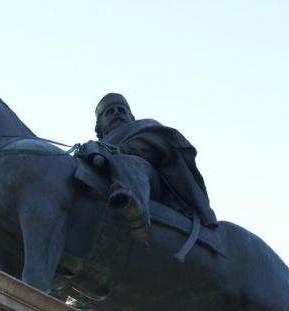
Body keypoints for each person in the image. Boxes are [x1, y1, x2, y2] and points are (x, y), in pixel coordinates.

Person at [78, 93, 217, 243]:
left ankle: (136, 211)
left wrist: (120, 150)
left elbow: (155, 146)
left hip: (151, 178)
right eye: (109, 112)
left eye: (121, 110)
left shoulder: (146, 127)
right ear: (99, 126)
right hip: (108, 172)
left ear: (131, 118)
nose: (117, 113)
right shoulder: (95, 145)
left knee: (125, 162)